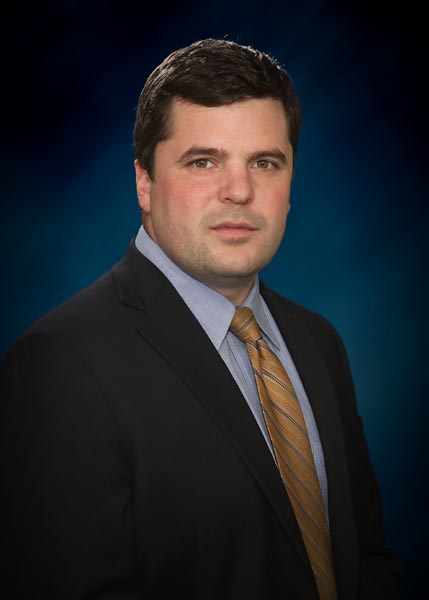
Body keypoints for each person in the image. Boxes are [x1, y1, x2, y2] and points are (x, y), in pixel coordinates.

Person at [0, 38, 401, 599]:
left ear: (290, 183)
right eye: (203, 161)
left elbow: (366, 558)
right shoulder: (58, 364)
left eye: (265, 163)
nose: (239, 191)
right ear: (144, 183)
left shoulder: (318, 342)